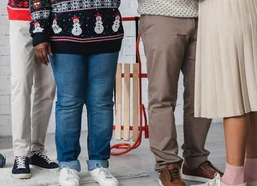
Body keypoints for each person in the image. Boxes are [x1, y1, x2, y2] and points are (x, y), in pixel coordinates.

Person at [30, 0, 123, 185]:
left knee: (102, 102)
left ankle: (99, 163)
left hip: (107, 31)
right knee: (69, 103)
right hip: (63, 34)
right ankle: (68, 165)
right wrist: (40, 33)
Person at [137, 0, 223, 185]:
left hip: (206, 16)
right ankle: (167, 164)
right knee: (162, 94)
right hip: (162, 14)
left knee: (202, 94)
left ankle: (196, 160)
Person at [193, 0, 257, 185]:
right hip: (249, 8)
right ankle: (252, 173)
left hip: (224, 11)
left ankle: (233, 179)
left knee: (233, 93)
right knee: (250, 91)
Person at [7, 0, 59, 180]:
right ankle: (21, 153)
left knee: (47, 87)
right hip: (21, 18)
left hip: (53, 21)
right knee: (21, 84)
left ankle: (36, 150)